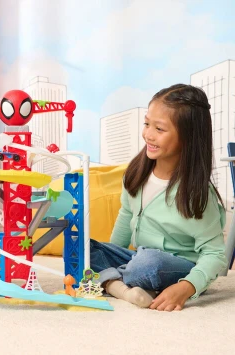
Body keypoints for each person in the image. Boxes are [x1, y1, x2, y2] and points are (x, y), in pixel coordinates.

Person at [90, 84, 227, 311]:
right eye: (147, 124)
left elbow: (215, 254)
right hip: (136, 258)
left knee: (147, 265)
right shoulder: (136, 172)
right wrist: (110, 253)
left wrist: (186, 287)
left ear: (187, 137)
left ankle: (110, 280)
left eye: (159, 129)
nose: (148, 134)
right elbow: (126, 216)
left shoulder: (197, 194)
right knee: (81, 249)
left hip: (173, 267)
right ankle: (121, 287)